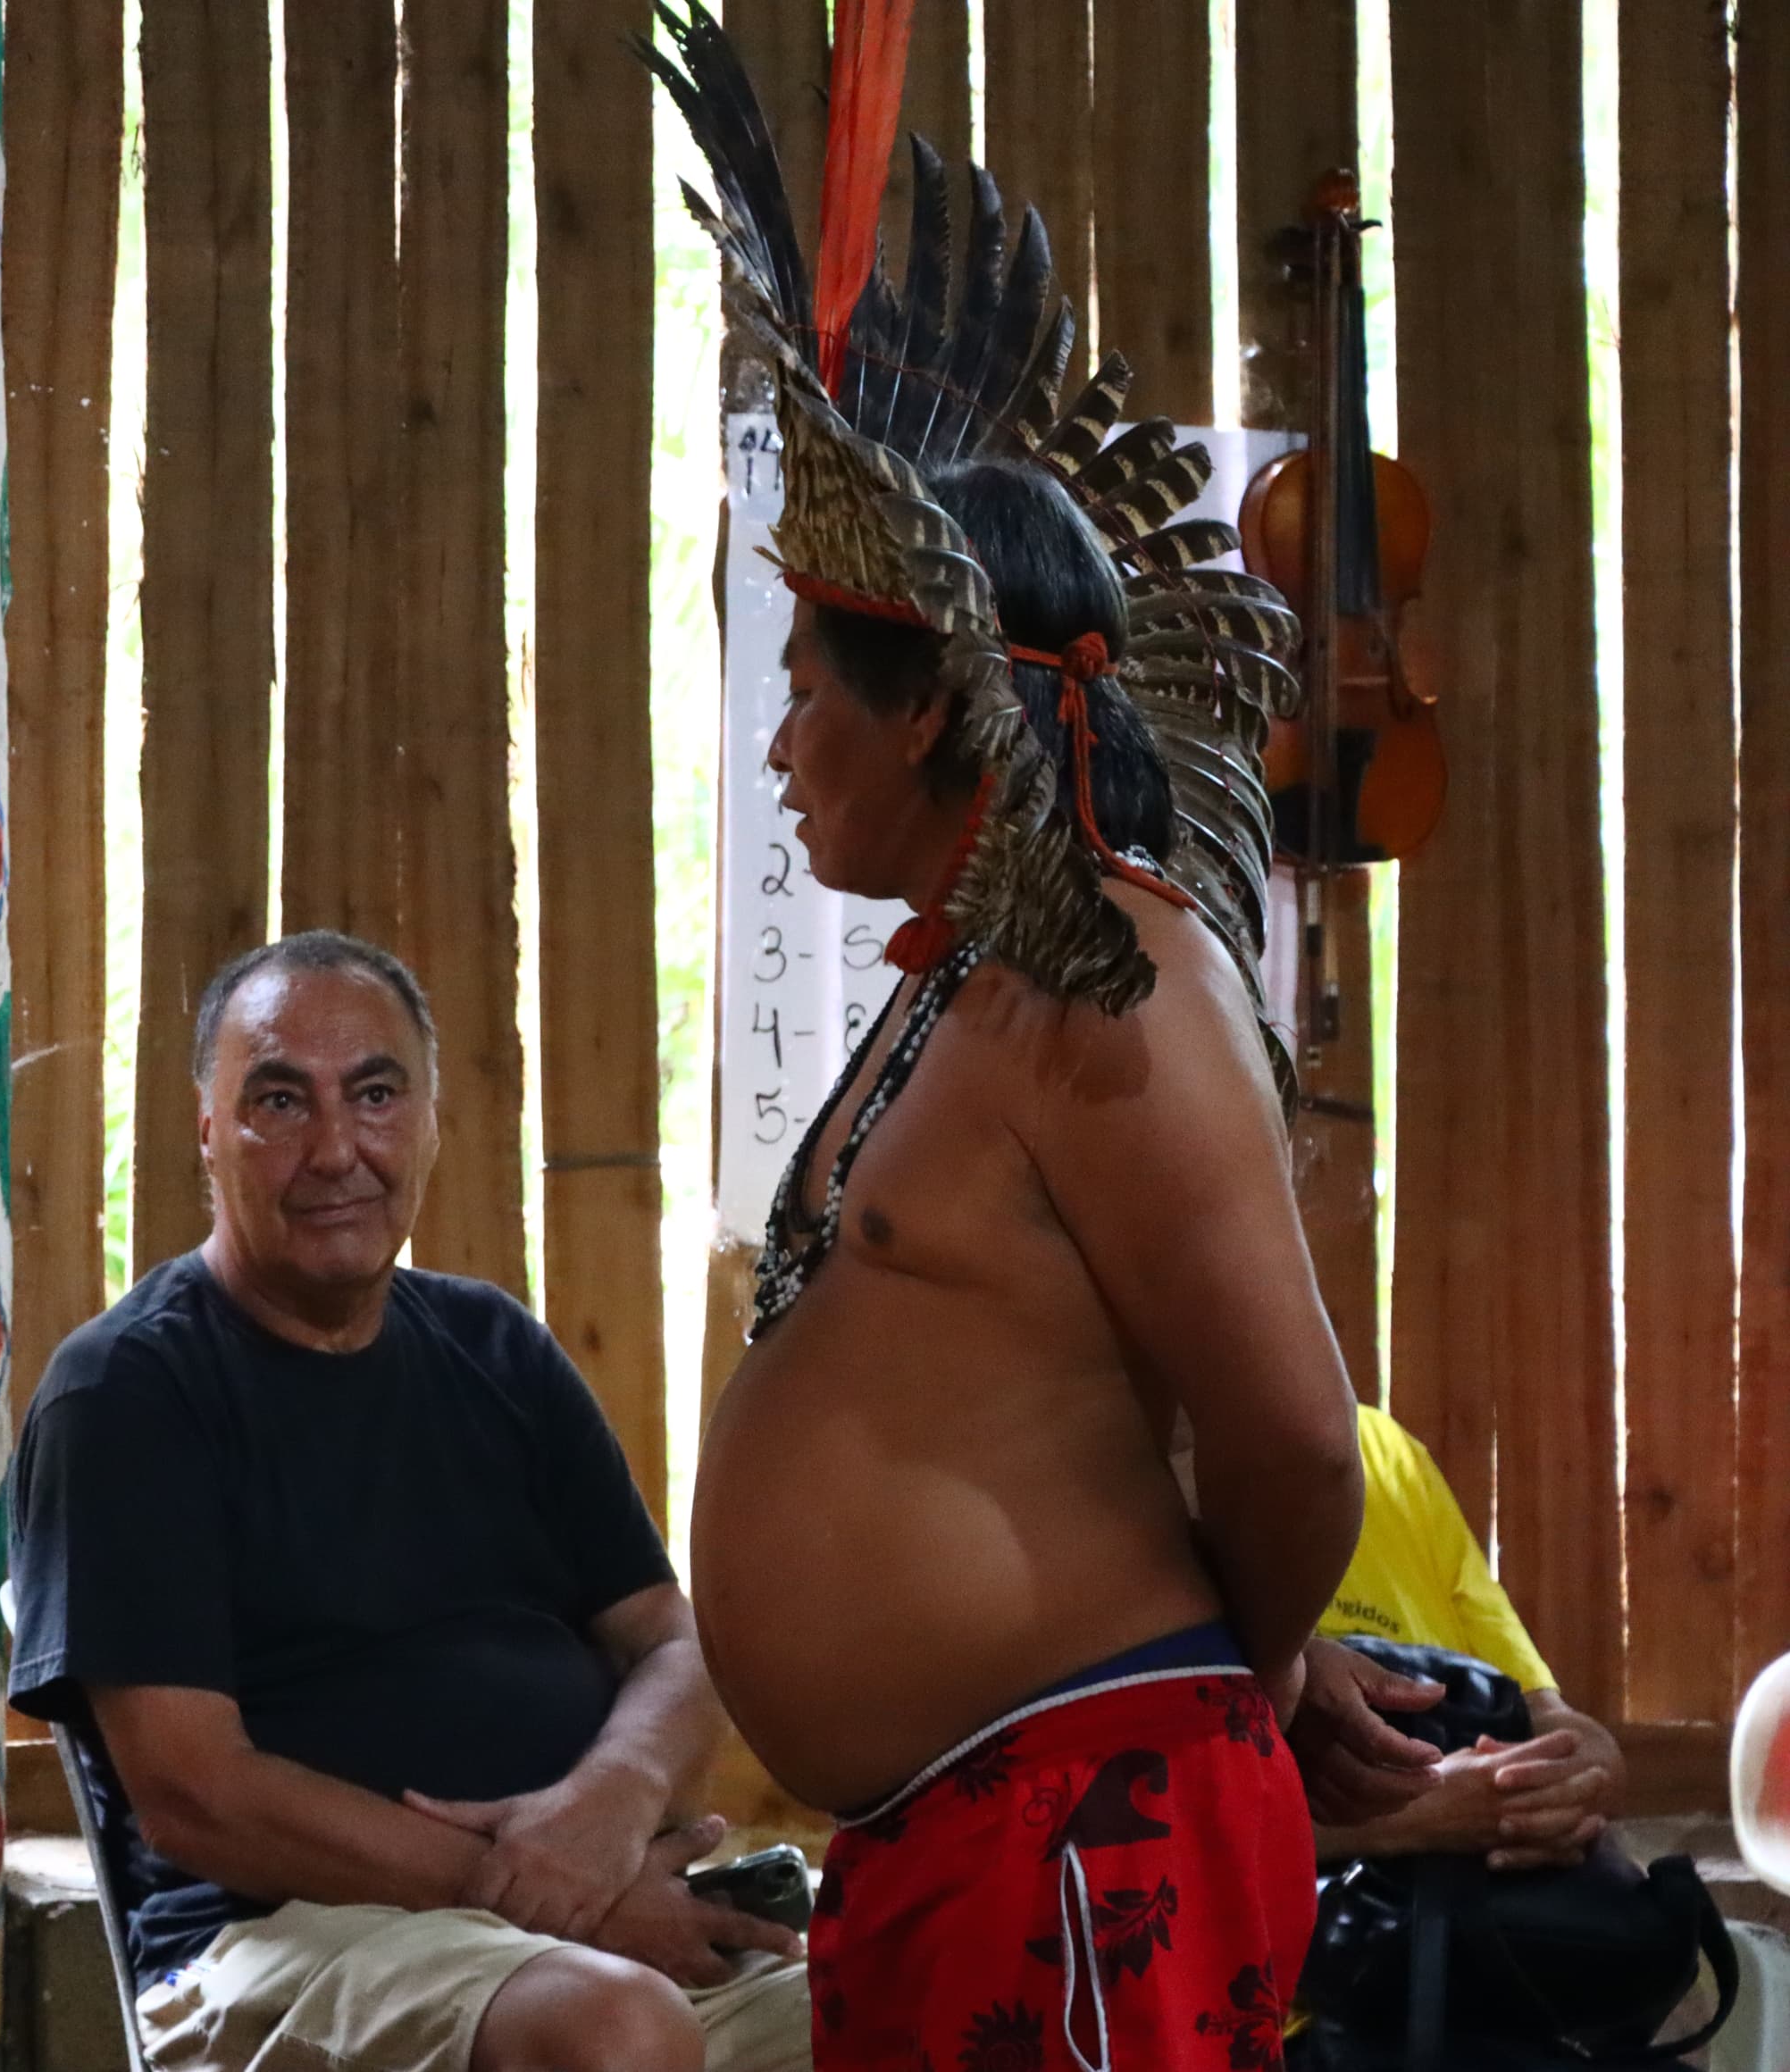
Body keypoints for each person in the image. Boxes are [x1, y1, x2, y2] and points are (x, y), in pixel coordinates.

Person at [648, 13, 1430, 2064]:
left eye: (804, 687)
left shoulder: (1116, 974)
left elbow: (1287, 1434)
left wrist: (1240, 1665)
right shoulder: (971, 979)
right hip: (975, 1829)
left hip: (1089, 1827)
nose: (778, 742)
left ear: (927, 704)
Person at [9, 932, 812, 2072]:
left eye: (376, 1095)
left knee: (931, 1996)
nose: (337, 1148)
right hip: (280, 1943)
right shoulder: (127, 1391)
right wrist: (529, 1887)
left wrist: (613, 1798)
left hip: (586, 1930)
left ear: (433, 1120)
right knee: (616, 2029)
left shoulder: (496, 1347)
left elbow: (671, 1640)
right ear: (208, 1131)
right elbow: (196, 1793)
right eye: (280, 1101)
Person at [1306, 1404, 1626, 1868]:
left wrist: (1557, 1789)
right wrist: (1422, 1813)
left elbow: (1563, 1728)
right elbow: (1199, 1830)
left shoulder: (1383, 1448)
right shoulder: (1188, 1479)